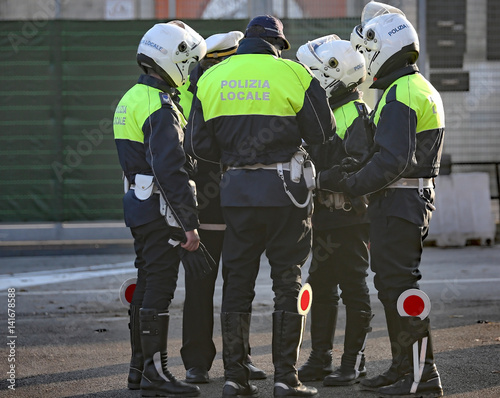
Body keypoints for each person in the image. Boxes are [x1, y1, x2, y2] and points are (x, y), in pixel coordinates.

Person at [185, 14, 336, 398]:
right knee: (288, 281)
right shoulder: (296, 74)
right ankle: (286, 377)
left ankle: (235, 377)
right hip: (287, 193)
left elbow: (198, 147)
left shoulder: (211, 78)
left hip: (236, 194)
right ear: (278, 44)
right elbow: (323, 132)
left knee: (237, 283)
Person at [318, 6, 445, 397]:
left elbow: (392, 159)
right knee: (392, 286)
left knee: (401, 287)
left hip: (401, 200)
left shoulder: (402, 91)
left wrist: (351, 184)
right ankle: (402, 367)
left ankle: (421, 376)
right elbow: (390, 155)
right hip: (405, 200)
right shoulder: (410, 86)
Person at [113, 21, 207, 397]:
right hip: (160, 210)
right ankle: (156, 374)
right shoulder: (161, 106)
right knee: (160, 289)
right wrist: (189, 223)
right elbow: (170, 169)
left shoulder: (131, 97)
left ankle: (140, 370)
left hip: (138, 206)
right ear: (174, 58)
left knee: (148, 283)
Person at [177, 30, 267, 384]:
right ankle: (198, 361)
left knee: (238, 286)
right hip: (207, 210)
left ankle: (237, 359)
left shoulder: (232, 92)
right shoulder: (192, 97)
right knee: (204, 287)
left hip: (236, 206)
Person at [295, 35, 373, 386]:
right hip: (324, 218)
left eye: (313, 74)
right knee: (321, 285)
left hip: (349, 217)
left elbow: (356, 167)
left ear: (331, 73)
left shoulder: (354, 113)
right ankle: (320, 358)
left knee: (354, 286)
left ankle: (353, 362)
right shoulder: (326, 111)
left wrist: (316, 178)